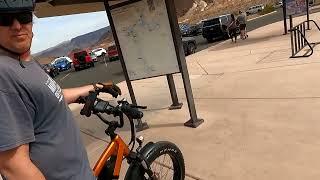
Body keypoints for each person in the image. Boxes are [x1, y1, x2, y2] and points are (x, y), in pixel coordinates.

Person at [0, 1, 121, 180]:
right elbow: (13, 165)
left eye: (24, 17)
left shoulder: (27, 62)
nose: (17, 26)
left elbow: (52, 95)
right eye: (5, 19)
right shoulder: (3, 73)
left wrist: (93, 87)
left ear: (31, 22)